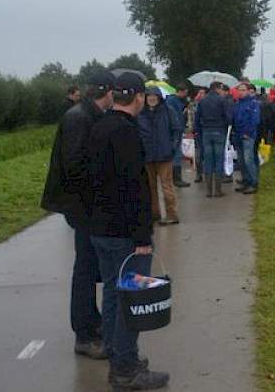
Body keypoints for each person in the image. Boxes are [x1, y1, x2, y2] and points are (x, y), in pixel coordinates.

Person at [84, 73, 170, 390]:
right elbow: (133, 189)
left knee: (111, 293)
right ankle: (125, 368)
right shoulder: (126, 133)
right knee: (130, 301)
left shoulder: (99, 126)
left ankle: (117, 352)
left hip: (100, 228)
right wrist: (142, 239)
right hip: (123, 233)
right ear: (135, 97)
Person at [41, 71, 114, 359]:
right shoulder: (78, 118)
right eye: (113, 92)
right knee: (84, 269)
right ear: (105, 92)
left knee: (89, 265)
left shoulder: (87, 115)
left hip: (85, 205)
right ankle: (83, 334)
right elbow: (74, 167)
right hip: (82, 206)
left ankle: (91, 320)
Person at [139, 87, 183, 225]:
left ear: (159, 98)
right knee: (150, 187)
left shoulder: (168, 110)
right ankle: (154, 214)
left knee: (167, 186)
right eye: (149, 96)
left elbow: (177, 130)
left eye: (154, 96)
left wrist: (172, 148)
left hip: (164, 155)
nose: (152, 99)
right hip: (148, 156)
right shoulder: (140, 113)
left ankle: (172, 214)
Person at [196, 82, 232, 197]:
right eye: (221, 88)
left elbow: (197, 118)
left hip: (206, 132)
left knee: (208, 161)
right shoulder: (222, 100)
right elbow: (228, 117)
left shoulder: (202, 100)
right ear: (217, 88)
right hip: (219, 131)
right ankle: (218, 190)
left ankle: (208, 191)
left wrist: (199, 131)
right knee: (219, 160)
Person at [231, 83, 261, 193]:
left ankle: (254, 183)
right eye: (239, 90)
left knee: (249, 160)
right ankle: (246, 180)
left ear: (248, 91)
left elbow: (255, 120)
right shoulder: (237, 104)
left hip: (248, 136)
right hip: (238, 135)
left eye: (243, 90)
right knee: (241, 160)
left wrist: (247, 133)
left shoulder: (253, 104)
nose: (241, 92)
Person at [165, 85, 190, 188]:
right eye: (185, 92)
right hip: (176, 129)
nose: (186, 95)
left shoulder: (170, 100)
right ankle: (177, 179)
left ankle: (174, 178)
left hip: (175, 129)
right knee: (177, 154)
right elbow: (178, 115)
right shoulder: (174, 101)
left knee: (176, 153)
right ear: (180, 91)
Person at [191, 88, 208, 184]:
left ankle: (208, 173)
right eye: (199, 92)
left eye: (202, 93)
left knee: (206, 154)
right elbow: (190, 117)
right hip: (197, 132)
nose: (200, 94)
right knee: (198, 155)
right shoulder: (194, 104)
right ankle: (199, 174)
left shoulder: (208, 104)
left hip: (205, 131)